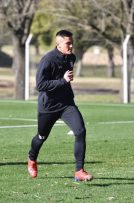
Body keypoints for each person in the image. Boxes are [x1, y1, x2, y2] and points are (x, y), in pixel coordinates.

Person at [27, 30, 93, 181]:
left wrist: (66, 80)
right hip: (48, 106)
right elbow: (40, 85)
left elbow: (66, 76)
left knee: (80, 131)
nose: (71, 46)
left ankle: (79, 171)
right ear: (58, 44)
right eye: (67, 43)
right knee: (41, 136)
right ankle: (31, 158)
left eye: (72, 43)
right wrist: (63, 80)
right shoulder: (48, 60)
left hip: (66, 104)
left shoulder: (72, 57)